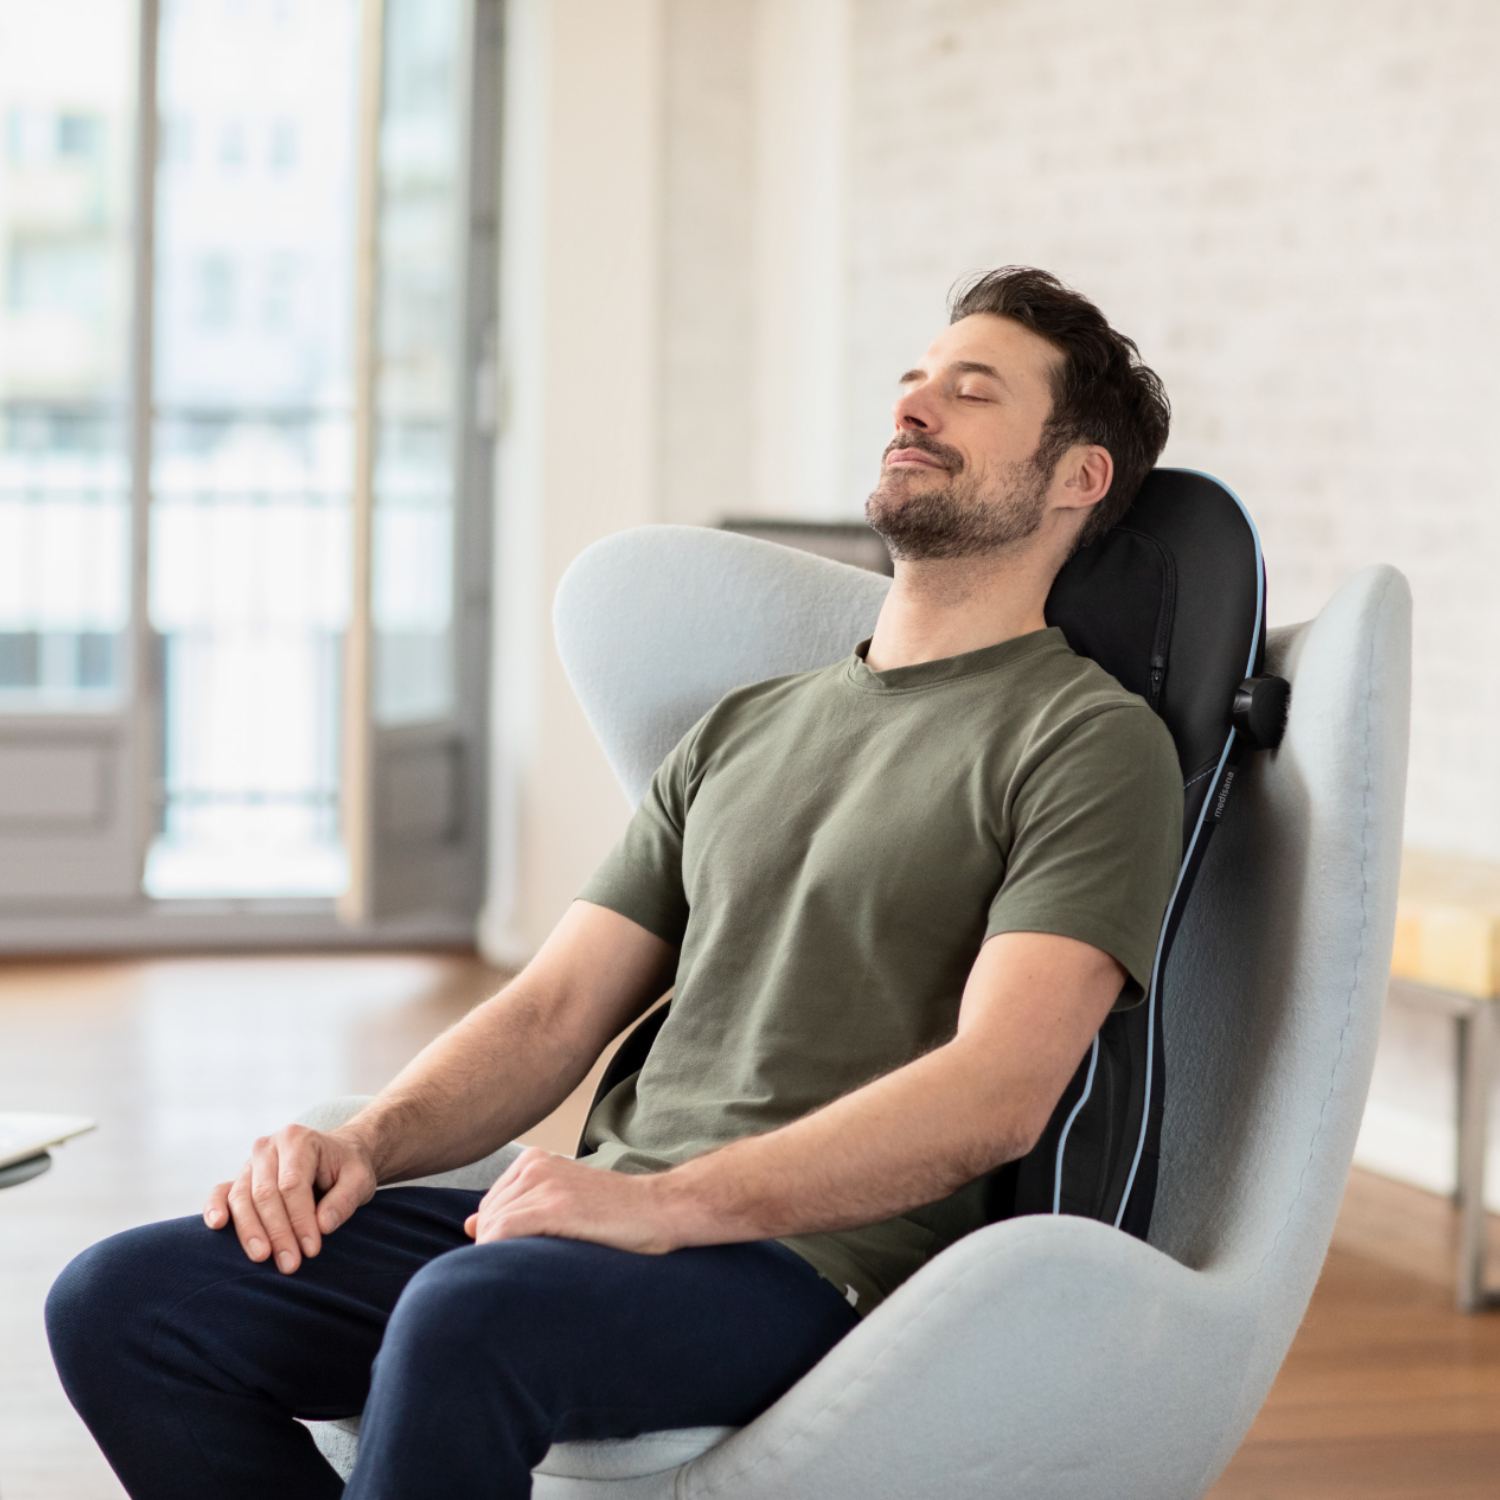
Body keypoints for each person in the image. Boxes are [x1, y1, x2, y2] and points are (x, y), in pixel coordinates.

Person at [46, 266, 1181, 1500]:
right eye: (912, 381)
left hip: (801, 1263)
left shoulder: (1087, 740)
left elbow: (998, 1093)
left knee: (469, 1316)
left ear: (1078, 478)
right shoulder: (748, 725)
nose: (914, 409)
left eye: (972, 393)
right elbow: (552, 1011)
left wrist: (675, 1207)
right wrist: (363, 1142)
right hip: (603, 1219)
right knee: (123, 1302)